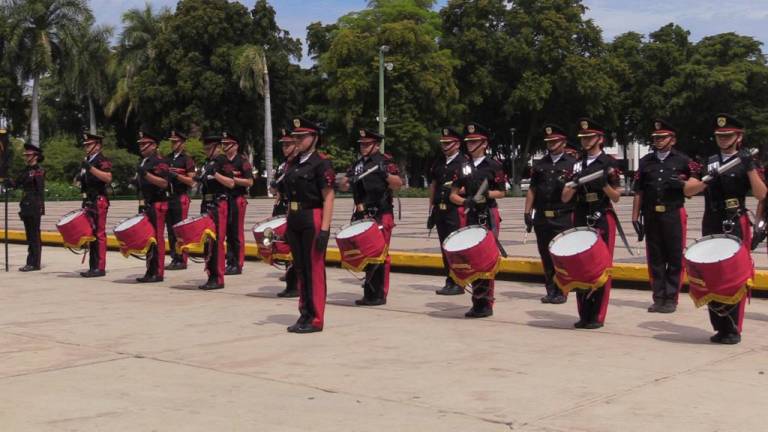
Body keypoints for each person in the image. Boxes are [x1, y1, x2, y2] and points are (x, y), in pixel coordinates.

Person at [684, 114, 767, 344]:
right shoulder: (707, 161)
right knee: (711, 272)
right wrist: (705, 180)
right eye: (720, 136)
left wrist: (749, 167)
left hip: (735, 218)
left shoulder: (747, 161)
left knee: (733, 273)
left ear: (738, 136)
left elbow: (761, 195)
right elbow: (688, 190)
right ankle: (719, 325)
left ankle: (733, 328)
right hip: (712, 218)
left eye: (728, 135)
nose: (723, 139)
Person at [631, 119, 698, 313]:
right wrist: (635, 216)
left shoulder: (684, 161)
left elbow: (697, 184)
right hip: (651, 214)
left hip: (673, 212)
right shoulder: (646, 161)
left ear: (673, 140)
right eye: (656, 138)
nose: (658, 141)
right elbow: (639, 191)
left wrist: (684, 185)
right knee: (656, 257)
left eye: (662, 137)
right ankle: (658, 297)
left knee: (675, 256)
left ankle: (671, 298)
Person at [562, 118, 622, 329]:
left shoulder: (609, 162)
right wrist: (575, 183)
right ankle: (583, 313)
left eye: (590, 137)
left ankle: (597, 315)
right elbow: (564, 197)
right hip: (580, 214)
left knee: (601, 266)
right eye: (583, 137)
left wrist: (603, 184)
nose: (586, 141)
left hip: (601, 215)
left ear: (600, 139)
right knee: (580, 265)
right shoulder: (576, 163)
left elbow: (616, 197)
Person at [449, 122, 507, 318]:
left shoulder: (493, 165)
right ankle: (477, 301)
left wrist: (486, 195)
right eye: (468, 141)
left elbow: (502, 192)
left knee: (486, 259)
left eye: (474, 141)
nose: (470, 144)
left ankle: (486, 303)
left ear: (484, 143)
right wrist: (466, 201)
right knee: (472, 258)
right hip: (471, 214)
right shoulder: (463, 166)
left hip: (488, 214)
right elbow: (453, 194)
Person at [283, 117, 335, 333]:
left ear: (314, 137)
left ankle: (316, 318)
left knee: (313, 269)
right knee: (301, 268)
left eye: (302, 137)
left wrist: (324, 229)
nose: (297, 140)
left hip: (312, 216)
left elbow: (329, 197)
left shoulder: (321, 162)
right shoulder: (293, 163)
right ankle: (304, 312)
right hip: (295, 216)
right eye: (295, 137)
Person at [339, 128, 402, 306]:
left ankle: (379, 293)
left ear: (376, 145)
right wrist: (346, 181)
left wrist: (385, 174)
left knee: (380, 254)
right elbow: (343, 186)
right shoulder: (357, 164)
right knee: (365, 254)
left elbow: (398, 184)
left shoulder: (385, 161)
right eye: (361, 144)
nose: (363, 147)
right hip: (361, 213)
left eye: (367, 144)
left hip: (380, 213)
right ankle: (369, 292)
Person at [524, 124, 576, 304]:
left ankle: (562, 290)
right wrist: (527, 212)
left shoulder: (572, 164)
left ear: (563, 142)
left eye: (555, 141)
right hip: (542, 217)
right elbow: (532, 189)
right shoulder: (540, 164)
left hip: (562, 215)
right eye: (549, 141)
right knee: (545, 254)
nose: (551, 144)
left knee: (560, 255)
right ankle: (550, 289)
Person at [429, 127, 469, 296]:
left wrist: (456, 191)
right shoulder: (438, 162)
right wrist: (431, 209)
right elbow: (433, 185)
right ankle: (449, 279)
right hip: (440, 210)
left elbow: (469, 185)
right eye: (443, 143)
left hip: (456, 209)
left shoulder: (464, 162)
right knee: (445, 247)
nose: (445, 146)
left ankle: (459, 282)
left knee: (456, 247)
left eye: (448, 143)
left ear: (457, 144)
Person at [196, 136, 235, 290]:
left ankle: (217, 278)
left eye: (208, 148)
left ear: (216, 147)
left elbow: (231, 183)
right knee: (208, 241)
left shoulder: (223, 161)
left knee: (216, 241)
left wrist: (216, 174)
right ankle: (211, 274)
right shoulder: (209, 163)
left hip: (219, 203)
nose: (206, 151)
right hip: (207, 203)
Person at [135, 131, 170, 283]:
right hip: (148, 204)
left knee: (157, 238)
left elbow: (164, 183)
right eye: (140, 144)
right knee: (149, 239)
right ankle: (150, 270)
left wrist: (146, 175)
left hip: (158, 203)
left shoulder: (159, 161)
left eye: (145, 144)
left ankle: (158, 272)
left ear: (154, 146)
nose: (141, 147)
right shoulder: (144, 161)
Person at [5, 144, 45, 271]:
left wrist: (39, 206)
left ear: (35, 156)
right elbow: (17, 183)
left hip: (34, 205)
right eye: (25, 155)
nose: (26, 157)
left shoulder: (39, 170)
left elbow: (39, 190)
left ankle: (34, 263)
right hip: (26, 204)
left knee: (34, 235)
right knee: (29, 235)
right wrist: (7, 180)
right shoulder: (26, 170)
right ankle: (31, 261)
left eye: (28, 155)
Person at [79, 133, 112, 278]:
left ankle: (100, 266)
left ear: (97, 145)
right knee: (90, 234)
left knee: (99, 234)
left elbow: (108, 178)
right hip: (89, 200)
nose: (86, 147)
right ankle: (92, 266)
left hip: (99, 199)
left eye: (89, 144)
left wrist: (90, 168)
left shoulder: (101, 160)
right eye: (85, 145)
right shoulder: (87, 160)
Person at [271, 127, 299, 298]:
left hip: (294, 208)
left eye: (288, 144)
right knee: (283, 244)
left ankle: (295, 282)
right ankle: (290, 280)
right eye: (283, 145)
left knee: (295, 247)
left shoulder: (298, 164)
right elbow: (276, 190)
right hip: (281, 206)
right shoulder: (283, 166)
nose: (285, 148)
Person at [222, 132, 253, 275]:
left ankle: (238, 263)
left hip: (237, 197)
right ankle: (230, 261)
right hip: (224, 198)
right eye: (224, 144)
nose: (225, 146)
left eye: (228, 144)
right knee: (228, 231)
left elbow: (249, 182)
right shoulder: (222, 161)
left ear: (236, 146)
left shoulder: (242, 161)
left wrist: (233, 179)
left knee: (236, 231)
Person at [165, 129, 196, 270]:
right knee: (171, 230)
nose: (173, 144)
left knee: (180, 229)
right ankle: (174, 257)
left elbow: (191, 181)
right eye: (172, 141)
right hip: (168, 197)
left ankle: (182, 259)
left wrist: (177, 177)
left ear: (182, 143)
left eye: (176, 141)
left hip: (180, 196)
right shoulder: (167, 158)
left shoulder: (186, 160)